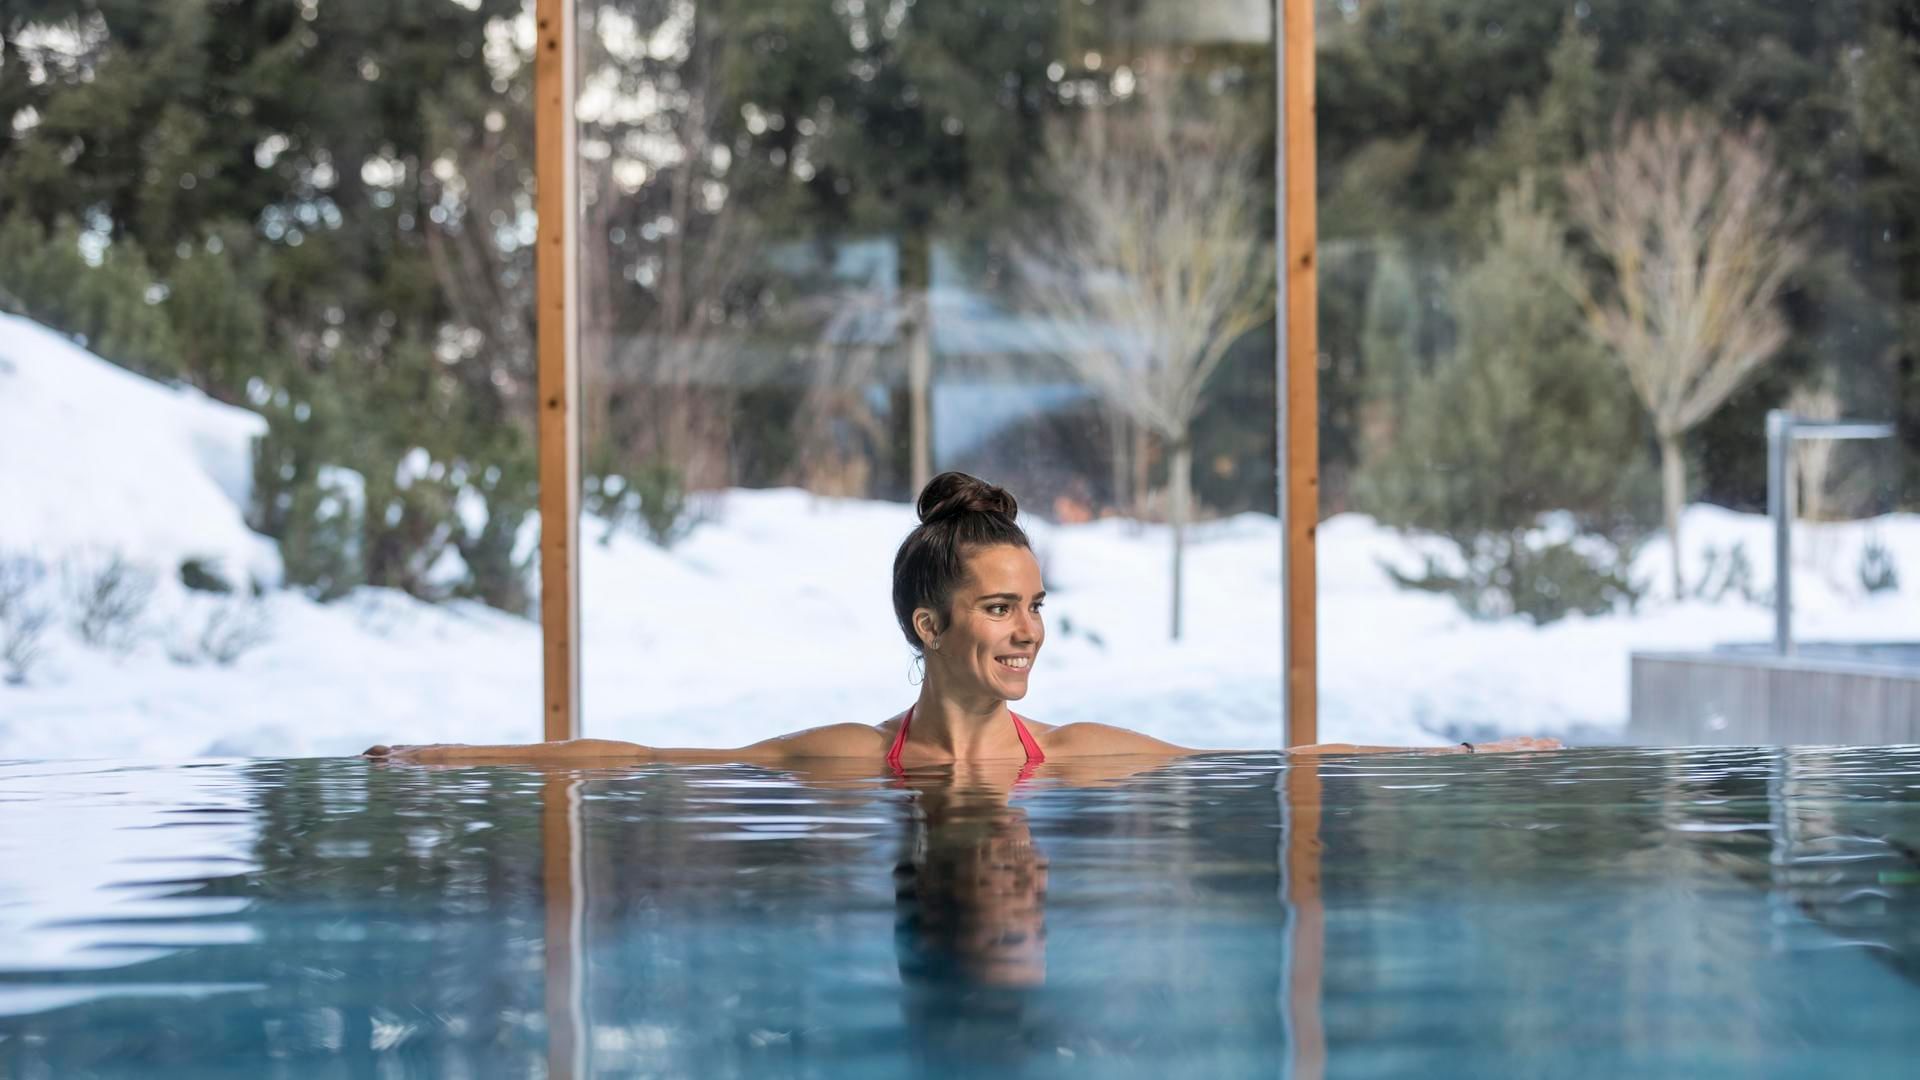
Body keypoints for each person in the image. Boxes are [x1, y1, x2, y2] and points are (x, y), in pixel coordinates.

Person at [363, 471, 1559, 767]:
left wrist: (1459, 762)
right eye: (1000, 607)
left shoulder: (1075, 761)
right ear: (930, 628)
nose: (1029, 630)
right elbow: (638, 761)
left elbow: (1282, 762)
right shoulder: (858, 761)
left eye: (1035, 606)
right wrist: (457, 754)